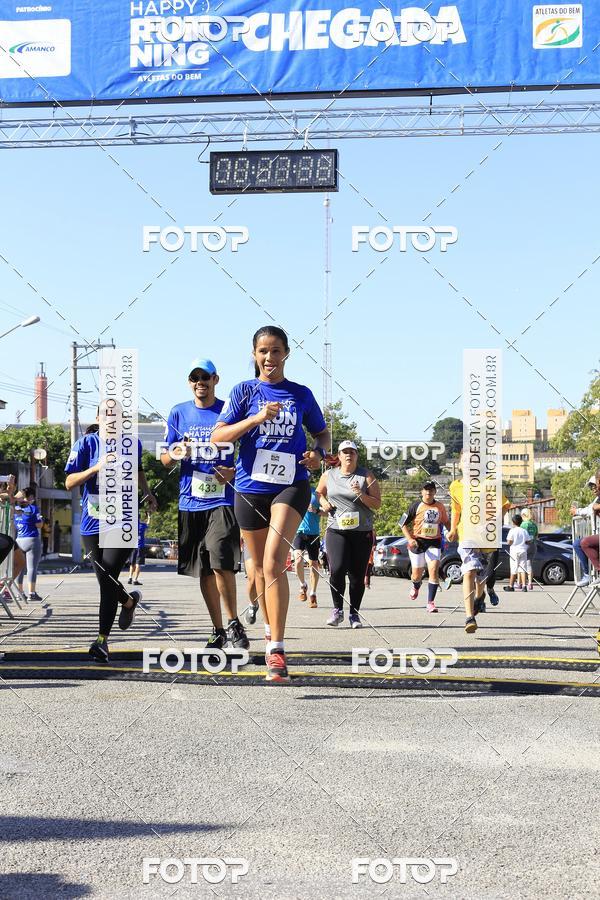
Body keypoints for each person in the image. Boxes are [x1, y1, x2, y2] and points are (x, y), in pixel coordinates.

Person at [212, 325, 329, 682]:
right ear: (254, 355)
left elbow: (322, 432)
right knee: (258, 569)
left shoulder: (300, 394)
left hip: (291, 485)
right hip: (249, 487)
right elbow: (219, 435)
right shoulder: (244, 392)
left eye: (276, 351)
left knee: (275, 560)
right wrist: (256, 418)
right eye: (263, 351)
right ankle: (267, 628)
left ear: (286, 354)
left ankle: (276, 649)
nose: (269, 358)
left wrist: (319, 453)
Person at [161, 358, 249, 651]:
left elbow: (249, 453)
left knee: (221, 558)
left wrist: (234, 472)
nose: (200, 382)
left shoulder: (228, 411)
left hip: (223, 499)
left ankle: (235, 623)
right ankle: (218, 629)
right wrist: (177, 451)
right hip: (190, 502)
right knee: (204, 570)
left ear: (216, 380)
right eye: (194, 377)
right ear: (189, 382)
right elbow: (163, 458)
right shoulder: (178, 412)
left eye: (206, 377)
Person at [65, 403, 158, 662]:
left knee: (107, 579)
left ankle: (102, 642)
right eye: (106, 415)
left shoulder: (133, 444)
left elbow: (138, 470)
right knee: (105, 580)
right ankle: (128, 602)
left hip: (124, 522)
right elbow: (69, 482)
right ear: (98, 418)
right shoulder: (86, 444)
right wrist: (96, 468)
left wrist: (147, 492)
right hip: (92, 523)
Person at [316, 440, 381, 628]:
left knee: (356, 575)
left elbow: (377, 504)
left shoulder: (367, 476)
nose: (348, 455)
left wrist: (361, 494)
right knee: (336, 569)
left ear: (356, 456)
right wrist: (323, 502)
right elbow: (319, 493)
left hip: (362, 532)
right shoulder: (329, 475)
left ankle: (354, 613)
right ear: (339, 455)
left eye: (352, 452)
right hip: (336, 530)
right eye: (345, 452)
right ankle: (337, 610)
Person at [448, 450, 508, 632]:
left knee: (481, 577)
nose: (469, 464)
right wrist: (452, 529)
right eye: (465, 460)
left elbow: (504, 507)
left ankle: (480, 598)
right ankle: (469, 617)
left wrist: (491, 524)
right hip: (467, 535)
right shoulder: (455, 486)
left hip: (486, 538)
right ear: (459, 464)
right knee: (469, 570)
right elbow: (456, 509)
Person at [401, 480, 450, 613]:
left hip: (434, 542)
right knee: (417, 574)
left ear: (435, 491)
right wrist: (410, 539)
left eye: (431, 489)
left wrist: (452, 532)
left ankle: (430, 603)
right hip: (418, 542)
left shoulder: (439, 506)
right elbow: (402, 523)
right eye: (426, 489)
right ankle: (416, 585)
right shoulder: (415, 506)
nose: (428, 491)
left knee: (433, 571)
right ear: (421, 492)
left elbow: (446, 522)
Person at [293, 482, 323, 608]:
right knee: (298, 560)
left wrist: (316, 510)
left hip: (314, 533)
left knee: (314, 564)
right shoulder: (294, 492)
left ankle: (313, 593)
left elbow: (328, 511)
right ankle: (302, 585)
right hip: (298, 532)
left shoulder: (316, 493)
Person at [571, 474, 600, 588]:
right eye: (591, 487)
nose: (593, 489)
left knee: (585, 542)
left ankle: (597, 571)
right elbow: (590, 508)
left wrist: (595, 507)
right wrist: (577, 511)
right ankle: (588, 574)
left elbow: (593, 508)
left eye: (595, 486)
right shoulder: (596, 499)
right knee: (577, 544)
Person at [14, 488, 43, 601]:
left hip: (19, 540)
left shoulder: (16, 510)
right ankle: (32, 593)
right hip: (32, 539)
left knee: (20, 566)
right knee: (31, 568)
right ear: (30, 497)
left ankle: (20, 593)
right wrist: (41, 520)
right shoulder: (33, 508)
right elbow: (39, 525)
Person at [503, 514, 531, 591]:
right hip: (523, 551)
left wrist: (513, 542)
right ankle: (524, 586)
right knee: (523, 568)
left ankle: (511, 586)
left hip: (514, 552)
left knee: (514, 569)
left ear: (513, 522)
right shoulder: (524, 531)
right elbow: (529, 541)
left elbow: (509, 542)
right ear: (521, 522)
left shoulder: (512, 530)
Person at [520, 508, 538, 591]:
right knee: (529, 564)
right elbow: (536, 535)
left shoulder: (523, 524)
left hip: (524, 545)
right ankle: (530, 583)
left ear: (523, 515)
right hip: (533, 545)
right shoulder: (534, 525)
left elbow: (521, 536)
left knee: (521, 564)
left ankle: (520, 583)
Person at [127, 515, 148, 586]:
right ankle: (135, 580)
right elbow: (147, 523)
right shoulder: (142, 525)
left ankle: (129, 577)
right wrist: (149, 516)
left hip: (133, 547)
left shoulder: (131, 526)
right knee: (138, 564)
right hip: (140, 547)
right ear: (139, 518)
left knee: (132, 563)